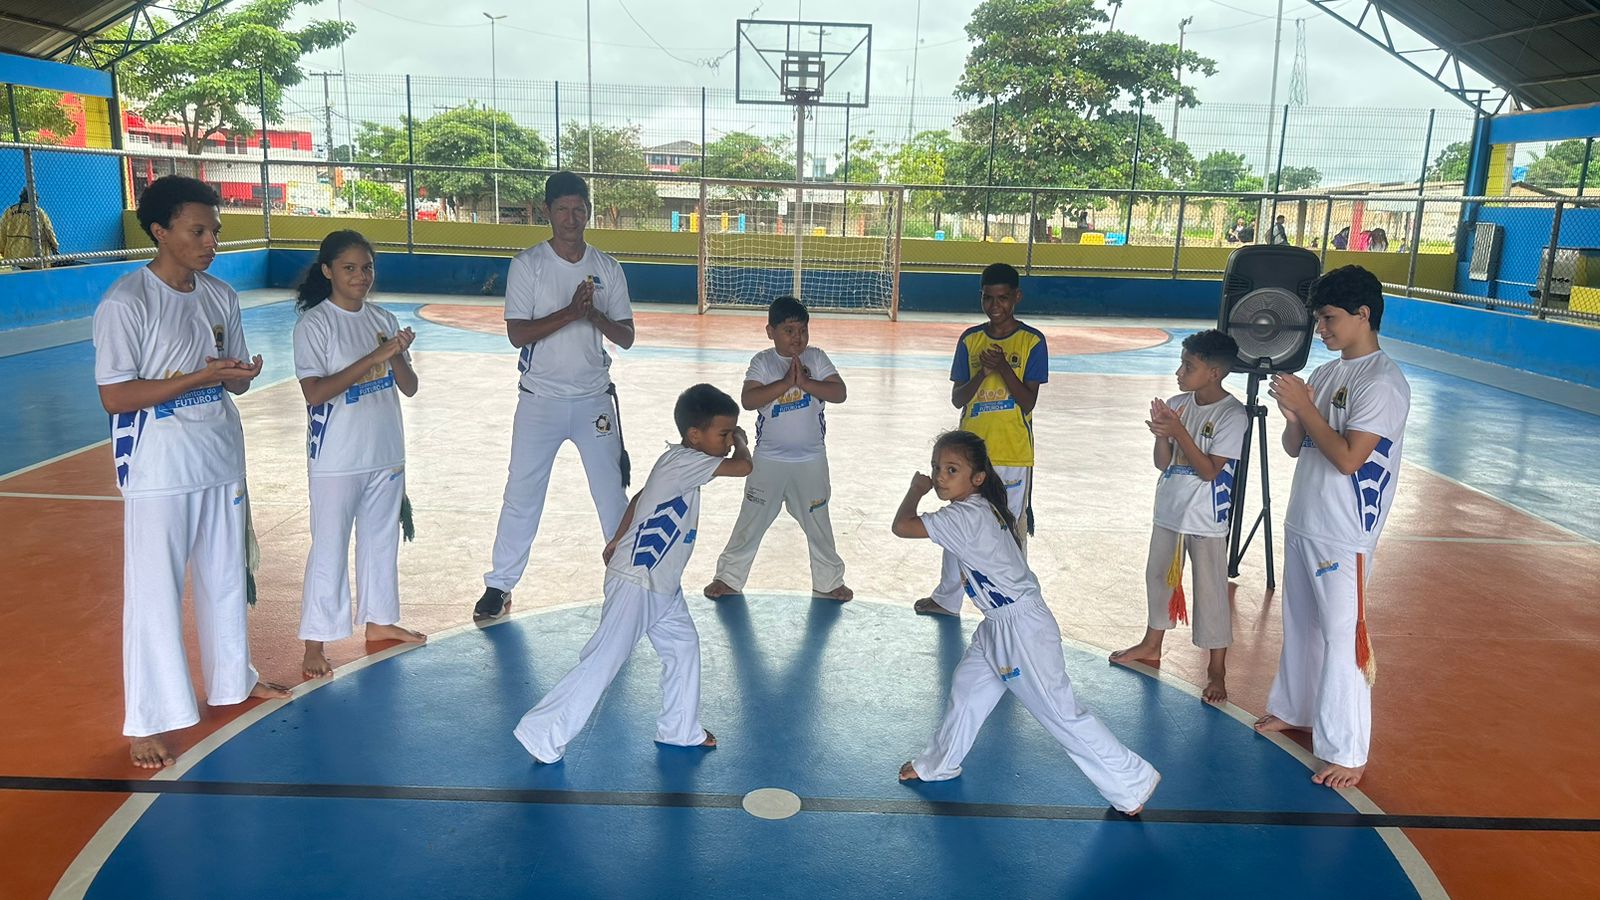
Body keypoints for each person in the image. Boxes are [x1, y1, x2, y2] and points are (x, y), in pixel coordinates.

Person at [92, 175, 290, 768]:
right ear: (160, 231)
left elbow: (229, 373)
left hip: (219, 451)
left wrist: (240, 374)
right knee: (154, 592)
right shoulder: (127, 302)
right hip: (157, 461)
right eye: (197, 230)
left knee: (226, 574)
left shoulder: (220, 296)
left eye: (215, 231)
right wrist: (199, 378)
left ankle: (233, 679)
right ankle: (150, 718)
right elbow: (116, 397)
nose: (210, 241)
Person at [893, 431, 1161, 815]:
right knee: (968, 688)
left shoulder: (965, 515)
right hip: (999, 624)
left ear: (978, 478)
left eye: (952, 470)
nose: (939, 477)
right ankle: (939, 763)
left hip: (1021, 628)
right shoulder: (979, 506)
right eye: (936, 469)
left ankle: (1131, 782)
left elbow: (902, 526)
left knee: (1059, 712)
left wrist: (915, 489)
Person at [513, 384, 752, 762]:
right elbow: (744, 467)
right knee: (604, 659)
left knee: (683, 648)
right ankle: (543, 731)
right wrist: (742, 441)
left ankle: (680, 729)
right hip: (638, 581)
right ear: (694, 435)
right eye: (723, 433)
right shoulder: (687, 461)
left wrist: (617, 537)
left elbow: (641, 497)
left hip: (661, 586)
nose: (727, 440)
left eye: (730, 434)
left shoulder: (678, 464)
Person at [1254, 265, 1410, 790]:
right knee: (1301, 622)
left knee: (1344, 638)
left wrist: (1306, 409)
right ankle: (1295, 707)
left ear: (1363, 315)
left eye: (1328, 318)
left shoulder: (1383, 382)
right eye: (1319, 319)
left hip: (1346, 530)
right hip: (1306, 516)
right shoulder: (1325, 374)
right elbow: (1296, 447)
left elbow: (1348, 458)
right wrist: (1294, 415)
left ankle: (1348, 749)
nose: (1320, 329)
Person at [474, 172, 637, 621]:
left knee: (611, 494)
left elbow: (625, 336)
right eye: (562, 209)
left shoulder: (607, 267)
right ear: (547, 211)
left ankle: (626, 580)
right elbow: (517, 332)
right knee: (522, 493)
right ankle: (499, 584)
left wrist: (594, 316)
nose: (571, 218)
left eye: (579, 209)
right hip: (539, 401)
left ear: (590, 211)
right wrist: (569, 313)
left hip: (593, 402)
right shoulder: (529, 265)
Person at [292, 230, 426, 679]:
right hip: (336, 457)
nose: (361, 276)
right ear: (328, 271)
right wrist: (377, 353)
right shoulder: (315, 325)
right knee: (329, 546)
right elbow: (316, 393)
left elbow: (408, 387)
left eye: (367, 267)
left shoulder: (383, 318)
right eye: (349, 268)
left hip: (384, 450)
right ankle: (316, 640)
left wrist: (397, 355)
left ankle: (380, 620)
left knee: (381, 540)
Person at [1109, 330, 1248, 703]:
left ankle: (1216, 669)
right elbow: (1163, 463)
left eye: (1189, 366)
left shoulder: (1232, 415)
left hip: (1205, 518)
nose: (1179, 372)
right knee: (1157, 577)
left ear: (1215, 372)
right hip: (1169, 510)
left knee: (1211, 592)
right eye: (1181, 363)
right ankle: (1152, 643)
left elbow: (1208, 471)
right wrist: (1161, 433)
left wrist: (1178, 430)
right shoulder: (1178, 403)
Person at [914, 263, 1047, 617]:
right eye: (988, 298)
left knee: (1007, 527)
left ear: (1016, 297)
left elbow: (1028, 401)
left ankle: (1016, 600)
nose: (995, 305)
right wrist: (983, 372)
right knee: (957, 522)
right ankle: (947, 597)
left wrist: (1004, 368)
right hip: (969, 453)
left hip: (1012, 453)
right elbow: (959, 398)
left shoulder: (1032, 341)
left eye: (1003, 298)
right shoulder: (970, 340)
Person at [703, 295, 852, 602]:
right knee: (751, 519)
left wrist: (807, 384)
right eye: (788, 330)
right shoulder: (763, 362)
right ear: (770, 331)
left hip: (811, 460)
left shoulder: (818, 358)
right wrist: (786, 383)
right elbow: (749, 400)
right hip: (768, 459)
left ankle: (828, 581)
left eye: (802, 330)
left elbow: (839, 393)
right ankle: (729, 577)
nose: (797, 337)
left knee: (818, 521)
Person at [1, 188, 59, 267]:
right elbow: (49, 231)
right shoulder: (38, 212)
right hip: (33, 256)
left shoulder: (9, 211)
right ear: (35, 198)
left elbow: (2, 231)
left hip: (13, 255)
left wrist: (2, 250)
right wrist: (54, 245)